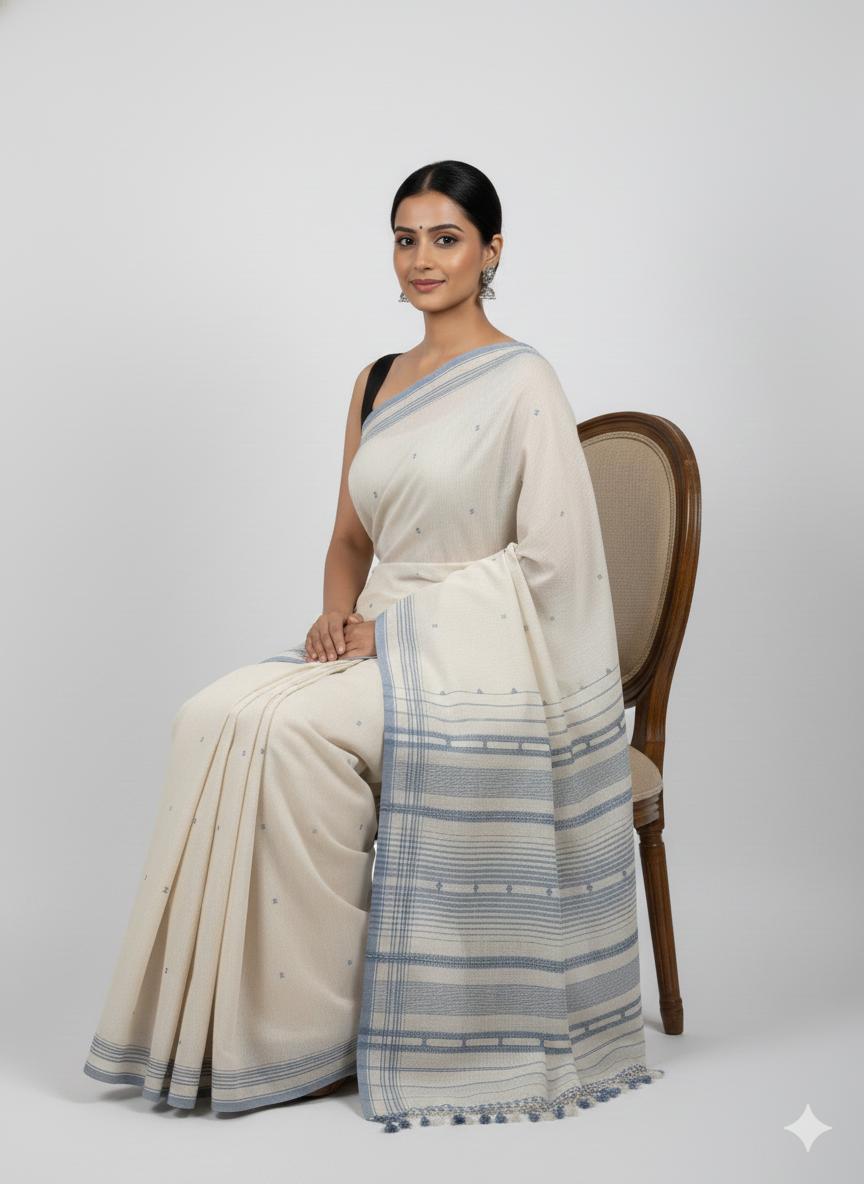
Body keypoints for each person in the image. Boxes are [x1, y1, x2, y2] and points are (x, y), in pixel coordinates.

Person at [83, 160, 664, 1133]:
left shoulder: (524, 378)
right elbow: (351, 539)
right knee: (215, 712)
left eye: (446, 237)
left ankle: (314, 1031)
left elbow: (555, 561)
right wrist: (335, 615)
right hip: (379, 635)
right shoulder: (376, 381)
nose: (423, 258)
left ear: (491, 251)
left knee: (292, 735)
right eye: (406, 237)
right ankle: (264, 1021)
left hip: (480, 656)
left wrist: (396, 627)